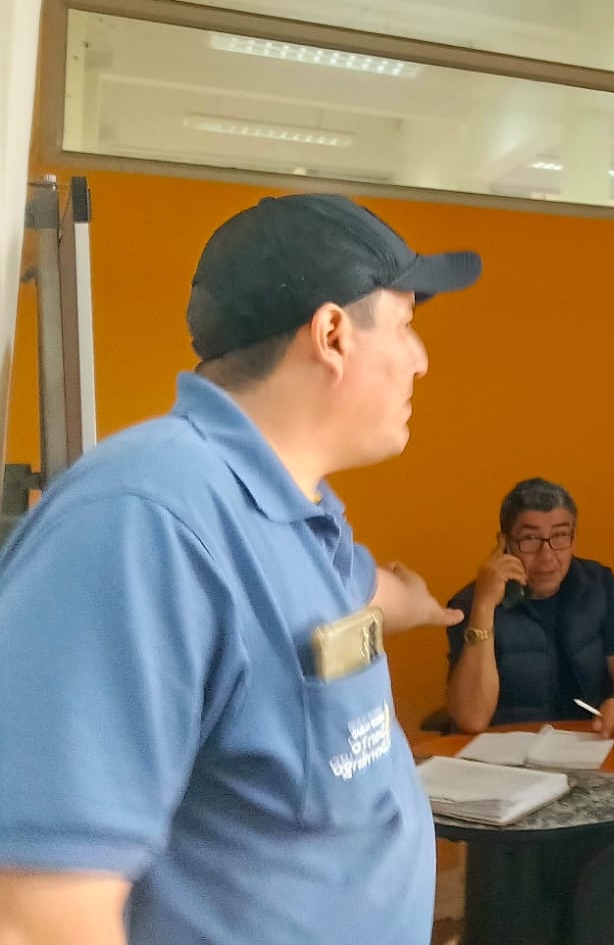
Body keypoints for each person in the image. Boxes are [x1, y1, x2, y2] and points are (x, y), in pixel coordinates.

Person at [0, 193, 480, 945]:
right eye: (405, 325)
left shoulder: (291, 511)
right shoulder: (144, 522)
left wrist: (418, 604)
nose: (420, 358)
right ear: (332, 335)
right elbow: (37, 913)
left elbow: (344, 603)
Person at [445, 477, 614, 740]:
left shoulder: (598, 584)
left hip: (589, 741)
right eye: (530, 538)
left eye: (560, 536)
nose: (547, 556)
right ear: (505, 544)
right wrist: (483, 606)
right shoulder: (469, 602)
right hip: (509, 750)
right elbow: (471, 718)